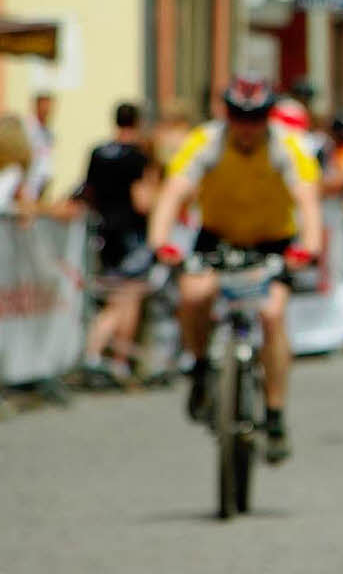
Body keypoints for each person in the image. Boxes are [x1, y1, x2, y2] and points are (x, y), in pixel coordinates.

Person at [148, 73, 322, 463]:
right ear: (226, 115)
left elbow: (307, 202)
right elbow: (173, 191)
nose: (246, 128)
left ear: (268, 116)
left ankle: (275, 415)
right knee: (193, 294)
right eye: (238, 118)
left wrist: (309, 247)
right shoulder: (206, 141)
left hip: (273, 241)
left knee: (271, 314)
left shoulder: (287, 146)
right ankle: (197, 367)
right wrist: (161, 241)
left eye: (256, 118)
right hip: (217, 236)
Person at [76, 102, 159, 387]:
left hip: (104, 232)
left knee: (114, 297)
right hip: (131, 236)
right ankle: (110, 358)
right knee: (127, 299)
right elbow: (142, 201)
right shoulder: (138, 156)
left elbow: (88, 190)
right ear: (137, 122)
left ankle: (99, 354)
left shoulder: (98, 152)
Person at [23, 91, 55, 201]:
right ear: (37, 105)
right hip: (29, 181)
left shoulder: (47, 130)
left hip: (41, 181)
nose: (47, 110)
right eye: (44, 106)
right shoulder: (28, 128)